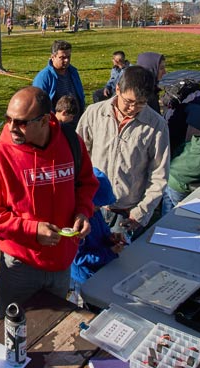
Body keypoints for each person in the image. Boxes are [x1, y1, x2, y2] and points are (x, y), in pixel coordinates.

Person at [0, 87, 98, 318]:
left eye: (21, 122)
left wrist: (83, 212)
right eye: (8, 119)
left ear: (44, 120)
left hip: (62, 264)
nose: (11, 127)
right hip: (20, 266)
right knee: (13, 332)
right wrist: (32, 230)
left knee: (51, 326)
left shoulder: (71, 142)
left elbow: (86, 184)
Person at [76, 66, 170, 240]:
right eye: (128, 101)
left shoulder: (156, 125)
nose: (133, 108)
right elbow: (76, 157)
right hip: (92, 208)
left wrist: (140, 213)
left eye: (141, 103)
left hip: (127, 214)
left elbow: (159, 174)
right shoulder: (94, 113)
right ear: (117, 89)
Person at [69, 168, 123, 305]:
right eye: (98, 205)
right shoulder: (76, 225)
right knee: (91, 305)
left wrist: (110, 238)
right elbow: (79, 259)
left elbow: (102, 232)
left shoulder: (95, 213)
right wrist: (109, 252)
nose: (100, 209)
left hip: (101, 270)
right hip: (85, 279)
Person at [32, 40, 86, 117]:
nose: (66, 60)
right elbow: (39, 106)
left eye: (68, 57)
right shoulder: (43, 77)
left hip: (78, 122)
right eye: (62, 57)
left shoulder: (73, 72)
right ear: (53, 57)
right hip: (57, 125)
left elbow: (81, 96)